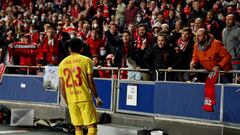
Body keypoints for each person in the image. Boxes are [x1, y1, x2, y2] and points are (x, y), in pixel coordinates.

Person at [58, 38, 103, 135]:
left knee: (77, 127)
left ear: (69, 49)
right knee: (92, 125)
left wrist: (67, 102)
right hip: (84, 97)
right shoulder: (87, 60)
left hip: (71, 99)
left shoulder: (62, 64)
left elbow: (62, 88)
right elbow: (91, 82)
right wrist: (96, 97)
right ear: (81, 49)